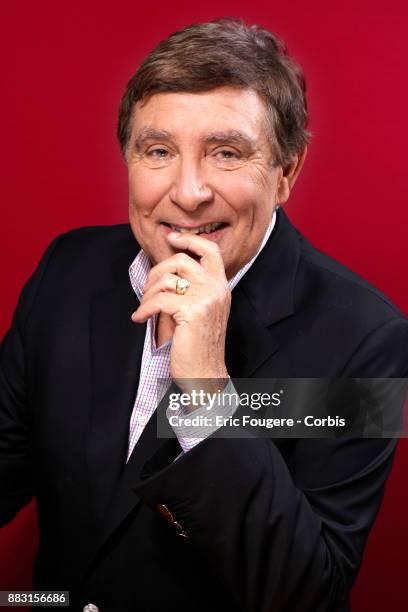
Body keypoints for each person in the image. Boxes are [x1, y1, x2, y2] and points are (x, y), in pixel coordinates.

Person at [0, 18, 407, 612]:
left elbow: (308, 595)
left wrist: (209, 391)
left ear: (285, 173)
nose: (188, 192)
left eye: (226, 153)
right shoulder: (69, 269)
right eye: (158, 151)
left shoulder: (369, 342)